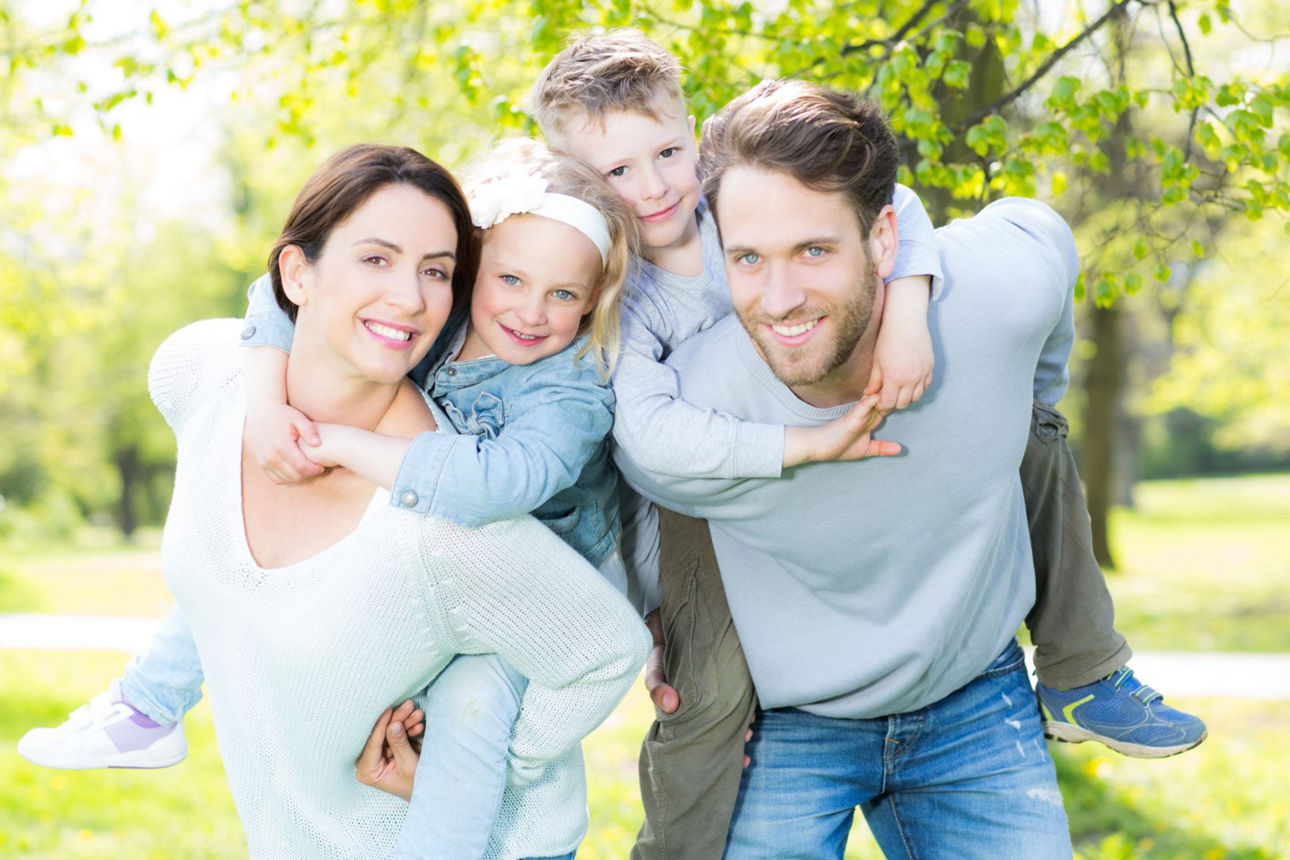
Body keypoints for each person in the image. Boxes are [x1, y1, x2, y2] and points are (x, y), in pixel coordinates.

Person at [532, 31, 1205, 858]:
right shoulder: (626, 295)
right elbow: (649, 443)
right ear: (581, 184)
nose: (653, 188)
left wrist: (913, 307)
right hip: (711, 522)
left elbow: (895, 204)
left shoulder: (741, 196)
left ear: (693, 137)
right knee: (699, 694)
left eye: (667, 153)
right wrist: (806, 444)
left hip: (969, 684)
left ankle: (1085, 667)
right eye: (616, 174)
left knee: (1034, 429)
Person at [19, 143, 650, 860]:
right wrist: (263, 400)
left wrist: (340, 444)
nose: (531, 311)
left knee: (473, 708)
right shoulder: (419, 324)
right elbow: (270, 297)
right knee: (224, 567)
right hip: (442, 600)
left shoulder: (561, 394)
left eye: (564, 294)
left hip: (534, 574)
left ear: (591, 300)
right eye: (508, 278)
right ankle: (150, 702)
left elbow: (494, 493)